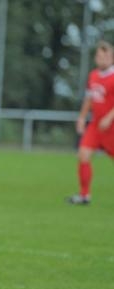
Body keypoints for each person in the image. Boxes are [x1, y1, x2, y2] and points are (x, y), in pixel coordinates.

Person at [68, 40, 114, 205]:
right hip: (95, 126)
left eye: (106, 56)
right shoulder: (93, 75)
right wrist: (82, 117)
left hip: (112, 128)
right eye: (100, 56)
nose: (102, 59)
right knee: (83, 155)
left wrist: (109, 117)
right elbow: (89, 98)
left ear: (112, 58)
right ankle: (84, 195)